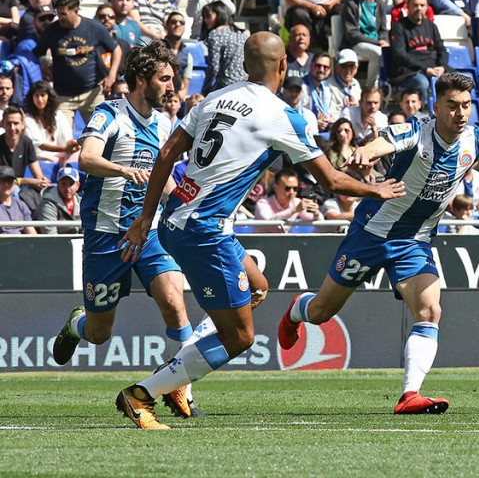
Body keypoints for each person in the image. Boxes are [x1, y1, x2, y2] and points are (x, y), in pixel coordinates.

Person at [116, 32, 405, 429]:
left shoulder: (217, 96)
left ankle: (181, 368)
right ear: (283, 65)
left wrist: (145, 219)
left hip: (175, 218)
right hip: (204, 231)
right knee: (240, 339)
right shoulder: (283, 116)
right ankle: (144, 393)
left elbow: (167, 154)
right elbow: (333, 182)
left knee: (257, 286)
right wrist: (377, 188)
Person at [278, 72, 479, 414]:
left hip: (414, 241)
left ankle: (410, 395)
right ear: (436, 107)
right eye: (452, 106)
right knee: (321, 312)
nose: (461, 113)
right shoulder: (417, 130)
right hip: (371, 234)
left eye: (466, 106)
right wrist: (364, 152)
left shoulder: (476, 140)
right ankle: (297, 309)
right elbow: (383, 143)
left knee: (431, 310)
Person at [49, 42, 207, 422]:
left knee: (174, 300)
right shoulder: (109, 115)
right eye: (164, 79)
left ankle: (178, 388)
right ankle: (77, 324)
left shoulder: (167, 123)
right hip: (105, 237)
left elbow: (163, 180)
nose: (171, 87)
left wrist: (189, 204)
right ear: (141, 80)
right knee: (100, 332)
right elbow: (86, 158)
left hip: (146, 231)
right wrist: (122, 170)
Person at [34, 0, 120, 125]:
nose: (60, 18)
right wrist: (45, 63)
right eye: (58, 13)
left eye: (64, 14)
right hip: (63, 95)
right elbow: (38, 53)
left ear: (76, 10)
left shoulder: (94, 27)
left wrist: (112, 75)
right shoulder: (52, 30)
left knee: (103, 131)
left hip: (92, 92)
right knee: (63, 136)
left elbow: (116, 49)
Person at [388, 0, 447, 106]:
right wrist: (425, 69)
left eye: (422, 5)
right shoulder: (398, 27)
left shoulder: (431, 26)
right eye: (415, 5)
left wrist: (442, 66)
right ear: (408, 6)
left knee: (458, 79)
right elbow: (399, 55)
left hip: (432, 69)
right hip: (409, 72)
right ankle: (422, 116)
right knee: (422, 83)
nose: (419, 8)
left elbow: (442, 50)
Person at [342, 0, 388, 89]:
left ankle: (388, 86)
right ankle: (371, 87)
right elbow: (351, 33)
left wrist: (385, 41)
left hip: (376, 42)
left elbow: (383, 28)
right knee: (377, 53)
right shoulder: (351, 3)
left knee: (391, 50)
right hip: (357, 43)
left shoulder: (379, 3)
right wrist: (378, 42)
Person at [22, 80, 76, 165]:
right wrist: (64, 149)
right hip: (40, 158)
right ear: (32, 98)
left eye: (42, 95)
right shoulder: (27, 118)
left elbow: (67, 138)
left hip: (61, 154)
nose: (39, 99)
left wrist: (73, 144)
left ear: (49, 97)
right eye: (36, 95)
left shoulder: (58, 115)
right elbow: (40, 145)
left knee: (76, 155)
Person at [253, 168, 321, 233]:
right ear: (276, 187)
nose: (292, 192)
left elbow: (310, 218)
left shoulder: (296, 202)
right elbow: (269, 222)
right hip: (262, 242)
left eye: (295, 189)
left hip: (284, 242)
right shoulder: (262, 203)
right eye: (287, 188)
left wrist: (315, 213)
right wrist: (294, 210)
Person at [201, 2, 246, 94]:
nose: (206, 20)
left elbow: (213, 67)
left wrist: (205, 89)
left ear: (219, 14)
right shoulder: (241, 34)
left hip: (226, 85)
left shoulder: (215, 34)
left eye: (208, 16)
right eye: (204, 17)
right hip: (244, 84)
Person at [33, 165, 80, 234]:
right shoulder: (47, 204)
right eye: (63, 184)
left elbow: (85, 230)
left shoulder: (82, 202)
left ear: (78, 185)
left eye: (71, 184)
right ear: (58, 184)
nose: (67, 188)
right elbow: (51, 235)